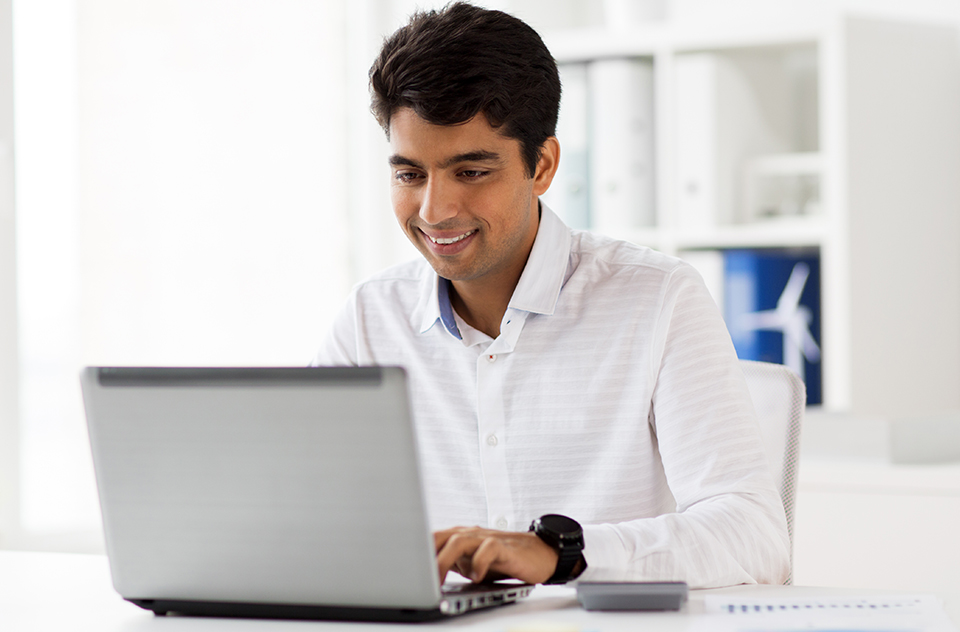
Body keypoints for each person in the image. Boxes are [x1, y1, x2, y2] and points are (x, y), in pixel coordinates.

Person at [314, 2, 790, 588]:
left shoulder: (658, 299)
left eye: (470, 172)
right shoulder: (368, 320)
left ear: (542, 165)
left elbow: (755, 538)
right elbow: (305, 525)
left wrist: (561, 554)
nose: (434, 211)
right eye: (410, 174)